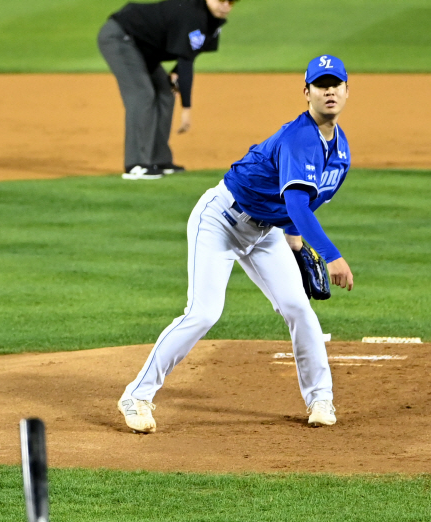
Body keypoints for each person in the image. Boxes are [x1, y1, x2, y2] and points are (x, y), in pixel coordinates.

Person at [117, 54, 353, 430]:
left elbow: (299, 207)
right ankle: (137, 396)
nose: (329, 91)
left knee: (298, 309)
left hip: (265, 234)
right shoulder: (298, 138)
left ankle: (321, 399)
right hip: (221, 221)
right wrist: (331, 256)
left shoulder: (340, 155)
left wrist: (294, 244)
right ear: (306, 92)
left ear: (346, 90)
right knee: (203, 312)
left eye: (335, 84)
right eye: (320, 84)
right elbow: (294, 201)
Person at [98, 0, 239, 179]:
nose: (226, 5)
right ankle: (136, 164)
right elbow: (186, 62)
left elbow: (189, 54)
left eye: (231, 2)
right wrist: (186, 109)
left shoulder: (212, 21)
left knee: (165, 91)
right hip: (121, 37)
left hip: (143, 48)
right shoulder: (192, 14)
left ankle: (159, 160)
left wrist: (175, 72)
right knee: (142, 95)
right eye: (221, 0)